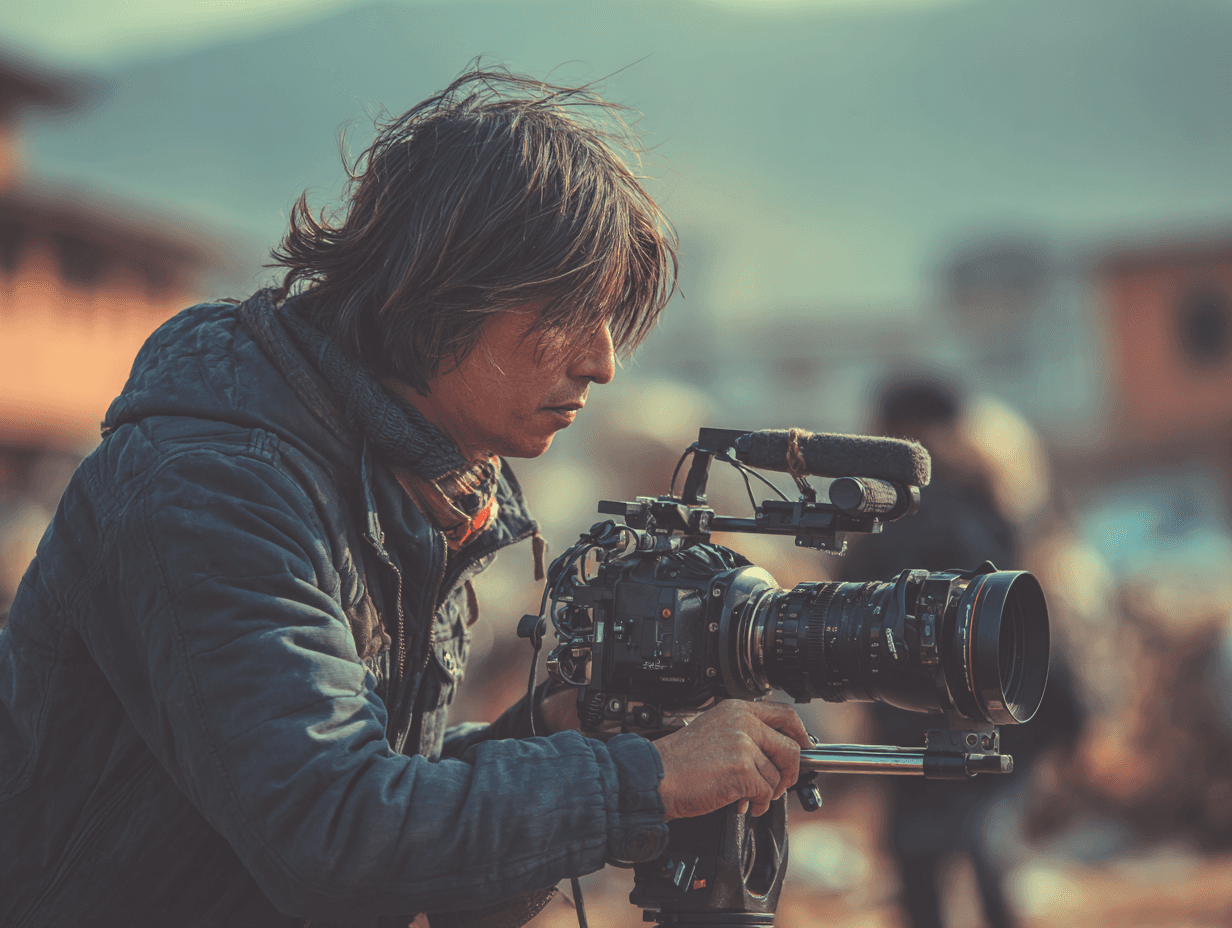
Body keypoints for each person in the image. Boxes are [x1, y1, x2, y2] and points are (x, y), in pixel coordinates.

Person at [0, 69, 812, 928]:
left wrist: (546, 740)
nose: (603, 361)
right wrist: (646, 780)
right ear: (447, 284)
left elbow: (362, 794)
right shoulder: (216, 484)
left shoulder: (413, 482)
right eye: (574, 310)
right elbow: (332, 834)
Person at [836, 377, 1080, 928]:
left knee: (933, 862)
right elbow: (1029, 607)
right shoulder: (988, 491)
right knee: (975, 852)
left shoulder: (903, 511)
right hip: (988, 711)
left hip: (924, 718)